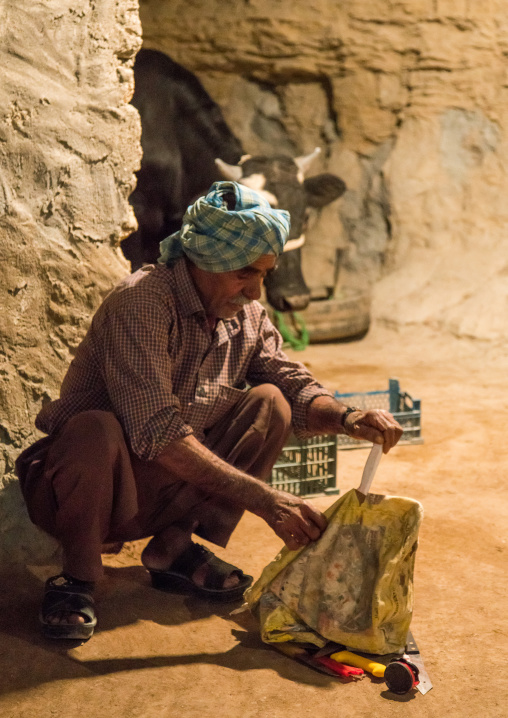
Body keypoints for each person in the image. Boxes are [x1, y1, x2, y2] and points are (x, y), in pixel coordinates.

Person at [15, 181, 403, 641]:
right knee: (94, 430)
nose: (256, 291)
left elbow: (290, 382)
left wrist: (346, 417)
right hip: (92, 491)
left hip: (163, 489)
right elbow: (156, 433)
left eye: (265, 274)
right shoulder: (143, 302)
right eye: (244, 272)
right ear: (204, 259)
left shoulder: (246, 315)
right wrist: (266, 500)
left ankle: (173, 550)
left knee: (270, 404)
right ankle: (77, 576)